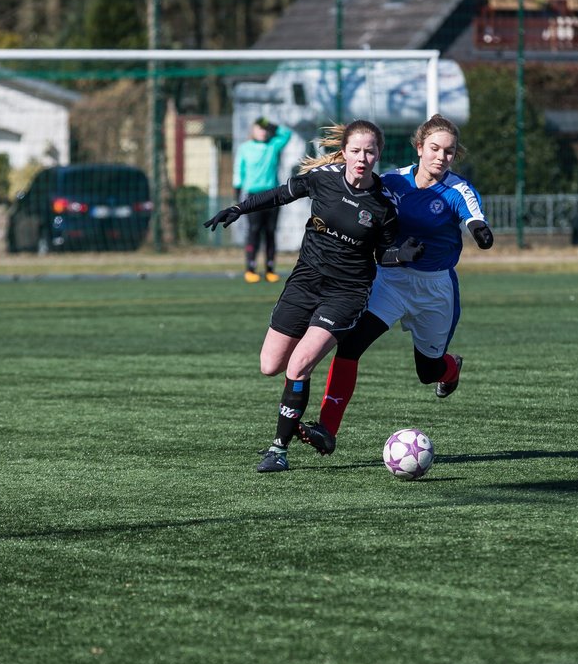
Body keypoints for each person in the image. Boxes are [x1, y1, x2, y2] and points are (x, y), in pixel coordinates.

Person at [204, 120, 423, 473]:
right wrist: (239, 208)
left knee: (299, 365)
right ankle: (290, 433)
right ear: (345, 151)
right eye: (356, 151)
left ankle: (278, 450)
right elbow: (279, 194)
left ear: (378, 154)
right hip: (304, 283)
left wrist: (401, 255)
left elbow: (383, 254)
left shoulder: (383, 204)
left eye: (369, 151)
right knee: (270, 365)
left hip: (346, 292)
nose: (362, 158)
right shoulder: (323, 178)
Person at [294, 115, 495, 457]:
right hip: (391, 281)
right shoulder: (393, 182)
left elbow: (474, 216)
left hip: (435, 291)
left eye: (448, 152)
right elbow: (361, 193)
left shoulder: (458, 189)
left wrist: (480, 232)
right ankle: (327, 429)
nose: (440, 157)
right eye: (433, 148)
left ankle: (450, 368)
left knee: (427, 371)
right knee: (350, 345)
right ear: (419, 148)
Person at [233, 117, 294, 283]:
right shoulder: (245, 148)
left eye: (265, 129)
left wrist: (272, 124)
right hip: (253, 196)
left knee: (270, 233)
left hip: (273, 196)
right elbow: (239, 171)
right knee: (254, 232)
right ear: (253, 130)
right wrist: (237, 194)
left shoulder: (273, 145)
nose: (263, 131)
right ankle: (250, 268)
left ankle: (269, 269)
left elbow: (287, 134)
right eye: (259, 128)